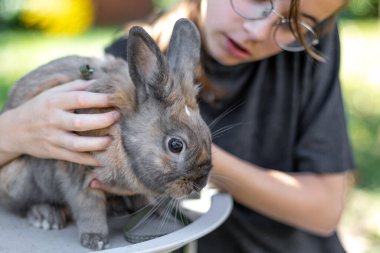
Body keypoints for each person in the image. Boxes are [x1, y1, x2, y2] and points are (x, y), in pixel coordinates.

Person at [0, 0, 354, 252]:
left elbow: (324, 211)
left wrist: (189, 162)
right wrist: (14, 128)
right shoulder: (124, 68)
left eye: (292, 23)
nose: (258, 30)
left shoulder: (307, 54)